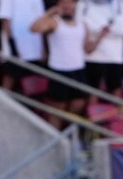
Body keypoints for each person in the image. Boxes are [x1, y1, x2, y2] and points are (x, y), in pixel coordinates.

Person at [31, 0, 89, 129]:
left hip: (78, 69)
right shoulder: (55, 22)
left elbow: (87, 47)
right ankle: (54, 138)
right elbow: (34, 28)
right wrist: (51, 12)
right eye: (64, 3)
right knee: (58, 108)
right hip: (59, 69)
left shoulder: (82, 24)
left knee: (78, 103)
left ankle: (69, 134)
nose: (67, 6)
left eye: (70, 3)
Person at [78, 0, 123, 104]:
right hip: (92, 56)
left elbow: (122, 30)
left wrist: (96, 31)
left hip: (114, 57)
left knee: (116, 90)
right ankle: (93, 119)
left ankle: (116, 119)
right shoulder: (83, 4)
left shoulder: (120, 4)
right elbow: (81, 27)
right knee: (92, 92)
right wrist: (105, 29)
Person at [0, 0, 45, 91]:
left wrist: (43, 49)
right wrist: (13, 46)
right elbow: (5, 21)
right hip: (15, 49)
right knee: (9, 80)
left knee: (31, 85)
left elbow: (41, 21)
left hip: (34, 50)